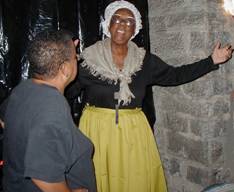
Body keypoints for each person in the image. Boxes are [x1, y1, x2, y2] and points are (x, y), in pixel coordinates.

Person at [69, 0, 233, 191]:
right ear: (108, 24)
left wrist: (211, 61)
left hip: (134, 131)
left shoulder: (144, 61)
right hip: (97, 130)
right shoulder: (87, 59)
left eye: (129, 21)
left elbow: (175, 75)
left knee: (135, 179)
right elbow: (69, 91)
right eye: (118, 19)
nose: (123, 25)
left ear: (135, 29)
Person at [3, 30, 97, 192]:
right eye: (76, 58)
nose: (77, 60)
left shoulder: (24, 88)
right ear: (65, 69)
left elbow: (4, 120)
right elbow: (44, 177)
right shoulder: (52, 107)